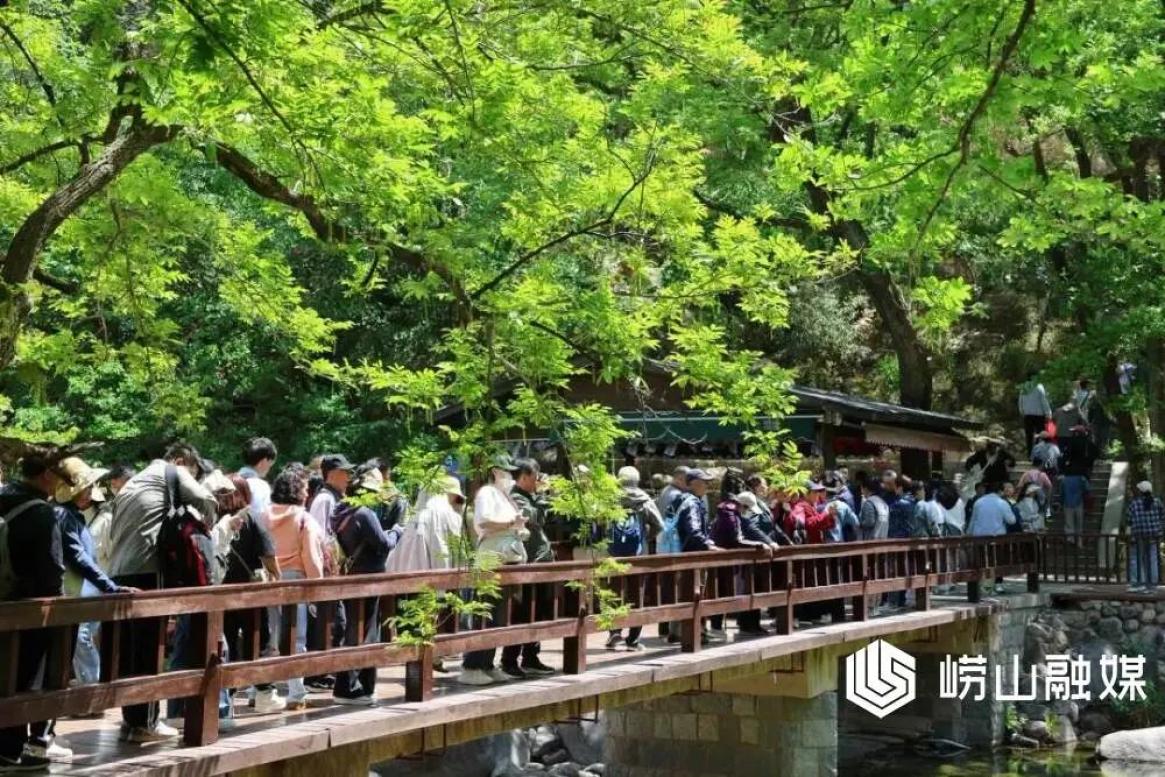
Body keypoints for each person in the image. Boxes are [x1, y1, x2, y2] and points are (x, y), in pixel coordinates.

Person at [107, 442, 217, 742]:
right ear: (181, 461)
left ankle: (132, 720)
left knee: (131, 650)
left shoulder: (137, 480)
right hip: (147, 566)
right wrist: (209, 524)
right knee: (149, 647)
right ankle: (146, 723)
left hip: (118, 571)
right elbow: (206, 499)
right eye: (193, 472)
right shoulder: (172, 471)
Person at [0, 451, 69, 771]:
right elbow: (51, 568)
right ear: (46, 475)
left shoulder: (4, 498)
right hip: (31, 607)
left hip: (4, 601)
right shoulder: (41, 512)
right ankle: (18, 748)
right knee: (28, 675)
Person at [53, 457, 133, 690]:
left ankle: (88, 689)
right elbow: (78, 557)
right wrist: (110, 586)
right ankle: (90, 690)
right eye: (86, 488)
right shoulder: (64, 516)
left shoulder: (73, 516)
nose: (90, 493)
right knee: (74, 642)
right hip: (71, 593)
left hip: (80, 592)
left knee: (77, 641)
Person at [217, 474, 283, 714]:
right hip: (250, 592)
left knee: (227, 642)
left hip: (221, 593)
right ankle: (265, 693)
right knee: (260, 640)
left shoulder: (214, 520)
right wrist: (276, 576)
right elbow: (267, 554)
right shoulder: (250, 518)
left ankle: (227, 698)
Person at [262, 464, 325, 709]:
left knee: (270, 637)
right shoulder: (303, 519)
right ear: (297, 491)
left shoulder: (263, 516)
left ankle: (262, 690)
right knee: (296, 638)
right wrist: (317, 587)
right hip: (296, 580)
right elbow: (311, 556)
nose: (307, 493)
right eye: (305, 488)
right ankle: (296, 693)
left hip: (268, 580)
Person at [460, 456, 526, 686]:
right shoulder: (487, 492)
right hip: (491, 558)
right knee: (485, 613)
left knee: (499, 616)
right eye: (506, 471)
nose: (510, 476)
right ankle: (472, 666)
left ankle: (487, 663)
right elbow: (484, 522)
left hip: (507, 559)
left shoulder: (503, 494)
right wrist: (509, 524)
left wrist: (518, 527)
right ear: (495, 471)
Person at [330, 467, 393, 705]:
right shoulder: (365, 514)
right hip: (368, 580)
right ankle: (350, 688)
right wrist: (396, 532)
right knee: (365, 633)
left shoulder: (340, 511)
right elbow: (383, 544)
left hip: (351, 577)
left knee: (355, 632)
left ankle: (360, 687)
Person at [304, 453, 354, 690]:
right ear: (332, 474)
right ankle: (315, 674)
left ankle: (322, 671)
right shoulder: (325, 499)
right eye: (345, 472)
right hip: (326, 571)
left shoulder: (334, 497)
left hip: (333, 570)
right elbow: (320, 536)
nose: (348, 477)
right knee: (329, 622)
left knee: (335, 622)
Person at [503, 458, 556, 677]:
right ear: (524, 477)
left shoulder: (529, 496)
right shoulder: (515, 497)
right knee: (522, 613)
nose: (537, 482)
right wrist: (542, 495)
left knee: (538, 612)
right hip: (527, 565)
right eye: (535, 478)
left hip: (539, 564)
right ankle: (509, 660)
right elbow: (535, 519)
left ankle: (531, 657)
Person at [606, 466, 665, 650]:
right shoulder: (644, 499)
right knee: (636, 594)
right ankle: (633, 639)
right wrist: (646, 537)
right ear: (637, 481)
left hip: (614, 553)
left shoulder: (611, 498)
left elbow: (599, 523)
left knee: (614, 593)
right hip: (638, 554)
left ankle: (614, 634)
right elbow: (659, 525)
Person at [709, 491, 776, 635]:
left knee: (727, 590)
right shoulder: (729, 515)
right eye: (746, 508)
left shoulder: (737, 516)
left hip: (730, 561)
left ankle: (741, 625)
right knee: (721, 591)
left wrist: (769, 542)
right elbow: (736, 539)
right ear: (742, 506)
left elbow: (754, 530)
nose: (747, 512)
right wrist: (759, 544)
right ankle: (716, 627)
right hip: (722, 560)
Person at [967, 482, 1017, 594]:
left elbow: (973, 521)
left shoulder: (978, 502)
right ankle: (995, 585)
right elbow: (1011, 520)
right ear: (999, 491)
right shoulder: (1002, 503)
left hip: (979, 537)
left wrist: (968, 534)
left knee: (981, 562)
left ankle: (981, 586)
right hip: (996, 537)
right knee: (996, 561)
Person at [1127, 481, 1163, 592]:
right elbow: (1163, 517)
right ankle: (1152, 584)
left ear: (1140, 491)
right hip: (1153, 536)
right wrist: (1159, 530)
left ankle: (1138, 583)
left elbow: (1129, 520)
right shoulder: (1157, 502)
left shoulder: (1134, 503)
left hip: (1138, 536)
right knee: (1152, 559)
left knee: (1136, 559)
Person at [239, 437, 278, 519]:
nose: (269, 468)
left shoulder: (230, 480)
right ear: (263, 461)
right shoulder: (261, 486)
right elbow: (261, 518)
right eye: (270, 463)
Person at [1018, 375, 1053, 454]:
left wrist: (1022, 411)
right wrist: (1048, 413)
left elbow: (1020, 401)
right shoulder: (1039, 387)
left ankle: (1030, 453)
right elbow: (1044, 401)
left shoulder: (1023, 388)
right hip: (1039, 415)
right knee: (1040, 435)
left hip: (1027, 415)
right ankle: (1039, 453)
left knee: (1029, 436)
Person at [1060, 467, 1090, 546]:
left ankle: (1071, 539)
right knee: (1079, 523)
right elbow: (1087, 489)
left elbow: (1062, 493)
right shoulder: (1081, 478)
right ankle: (1079, 541)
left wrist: (1061, 502)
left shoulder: (1064, 480)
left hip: (1067, 503)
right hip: (1078, 502)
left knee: (1069, 523)